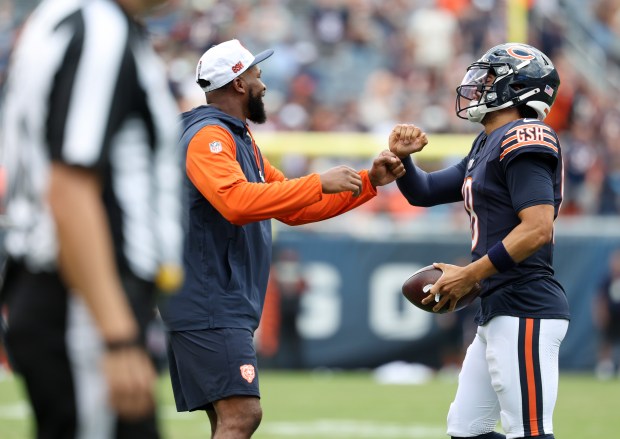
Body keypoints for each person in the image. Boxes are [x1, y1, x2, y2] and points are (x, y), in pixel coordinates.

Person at [160, 38, 405, 438]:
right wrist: (317, 182)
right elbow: (236, 202)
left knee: (228, 418)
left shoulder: (237, 138)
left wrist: (367, 182)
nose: (264, 84)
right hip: (207, 299)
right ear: (239, 84)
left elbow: (292, 207)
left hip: (218, 298)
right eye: (256, 75)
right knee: (242, 415)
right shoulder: (210, 138)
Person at [0, 0, 183, 438]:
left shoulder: (65, 17)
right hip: (81, 300)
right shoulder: (100, 30)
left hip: (73, 293)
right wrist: (116, 336)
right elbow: (69, 188)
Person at [389, 43, 570, 439]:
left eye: (490, 77)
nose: (478, 85)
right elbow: (424, 191)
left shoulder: (526, 135)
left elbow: (538, 227)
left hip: (526, 304)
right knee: (466, 428)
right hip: (499, 302)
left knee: (529, 430)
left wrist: (471, 273)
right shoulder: (486, 144)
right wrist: (403, 160)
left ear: (517, 88)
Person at [592, 248, 620, 380]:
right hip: (610, 317)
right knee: (606, 341)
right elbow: (600, 298)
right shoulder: (607, 279)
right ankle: (605, 367)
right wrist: (601, 315)